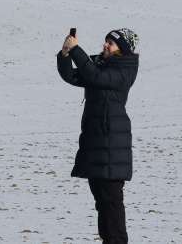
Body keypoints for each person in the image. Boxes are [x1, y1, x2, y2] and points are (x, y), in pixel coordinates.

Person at [57, 27, 140, 244]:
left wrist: (76, 49)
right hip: (97, 147)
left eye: (110, 44)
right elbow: (72, 75)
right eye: (105, 41)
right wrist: (66, 54)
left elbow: (94, 75)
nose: (105, 45)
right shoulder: (102, 67)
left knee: (112, 211)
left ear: (121, 50)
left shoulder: (123, 71)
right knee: (103, 207)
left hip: (112, 149)